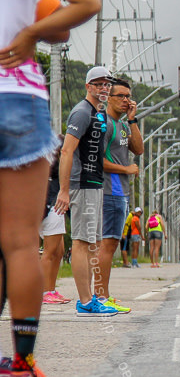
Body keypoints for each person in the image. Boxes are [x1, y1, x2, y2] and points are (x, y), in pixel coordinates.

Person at [0, 0, 101, 377]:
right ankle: (20, 366)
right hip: (16, 98)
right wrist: (34, 31)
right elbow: (87, 3)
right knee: (19, 243)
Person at [56, 66, 119, 316]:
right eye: (99, 83)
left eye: (107, 84)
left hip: (95, 183)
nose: (104, 88)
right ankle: (84, 301)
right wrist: (64, 190)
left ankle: (94, 297)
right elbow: (66, 151)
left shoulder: (98, 114)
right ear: (88, 86)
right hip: (80, 184)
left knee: (95, 242)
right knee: (82, 242)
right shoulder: (81, 113)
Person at [97, 77, 142, 312]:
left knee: (111, 244)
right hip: (109, 190)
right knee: (107, 244)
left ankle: (103, 295)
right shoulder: (104, 123)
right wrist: (126, 169)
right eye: (121, 96)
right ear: (109, 98)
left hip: (121, 191)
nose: (126, 100)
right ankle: (100, 297)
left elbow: (139, 149)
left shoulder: (123, 125)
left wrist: (132, 119)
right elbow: (97, 160)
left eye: (128, 96)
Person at [40, 138, 69, 304]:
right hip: (52, 206)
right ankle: (45, 291)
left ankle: (50, 289)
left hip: (52, 208)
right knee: (50, 253)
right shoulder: (54, 164)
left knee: (59, 251)